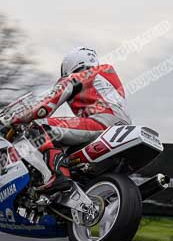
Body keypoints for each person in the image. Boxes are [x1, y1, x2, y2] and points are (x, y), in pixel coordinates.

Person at [9, 46, 131, 192]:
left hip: (101, 122)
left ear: (70, 65)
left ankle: (57, 177)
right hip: (124, 126)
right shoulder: (107, 75)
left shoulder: (78, 77)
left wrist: (19, 118)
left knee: (38, 126)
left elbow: (45, 105)